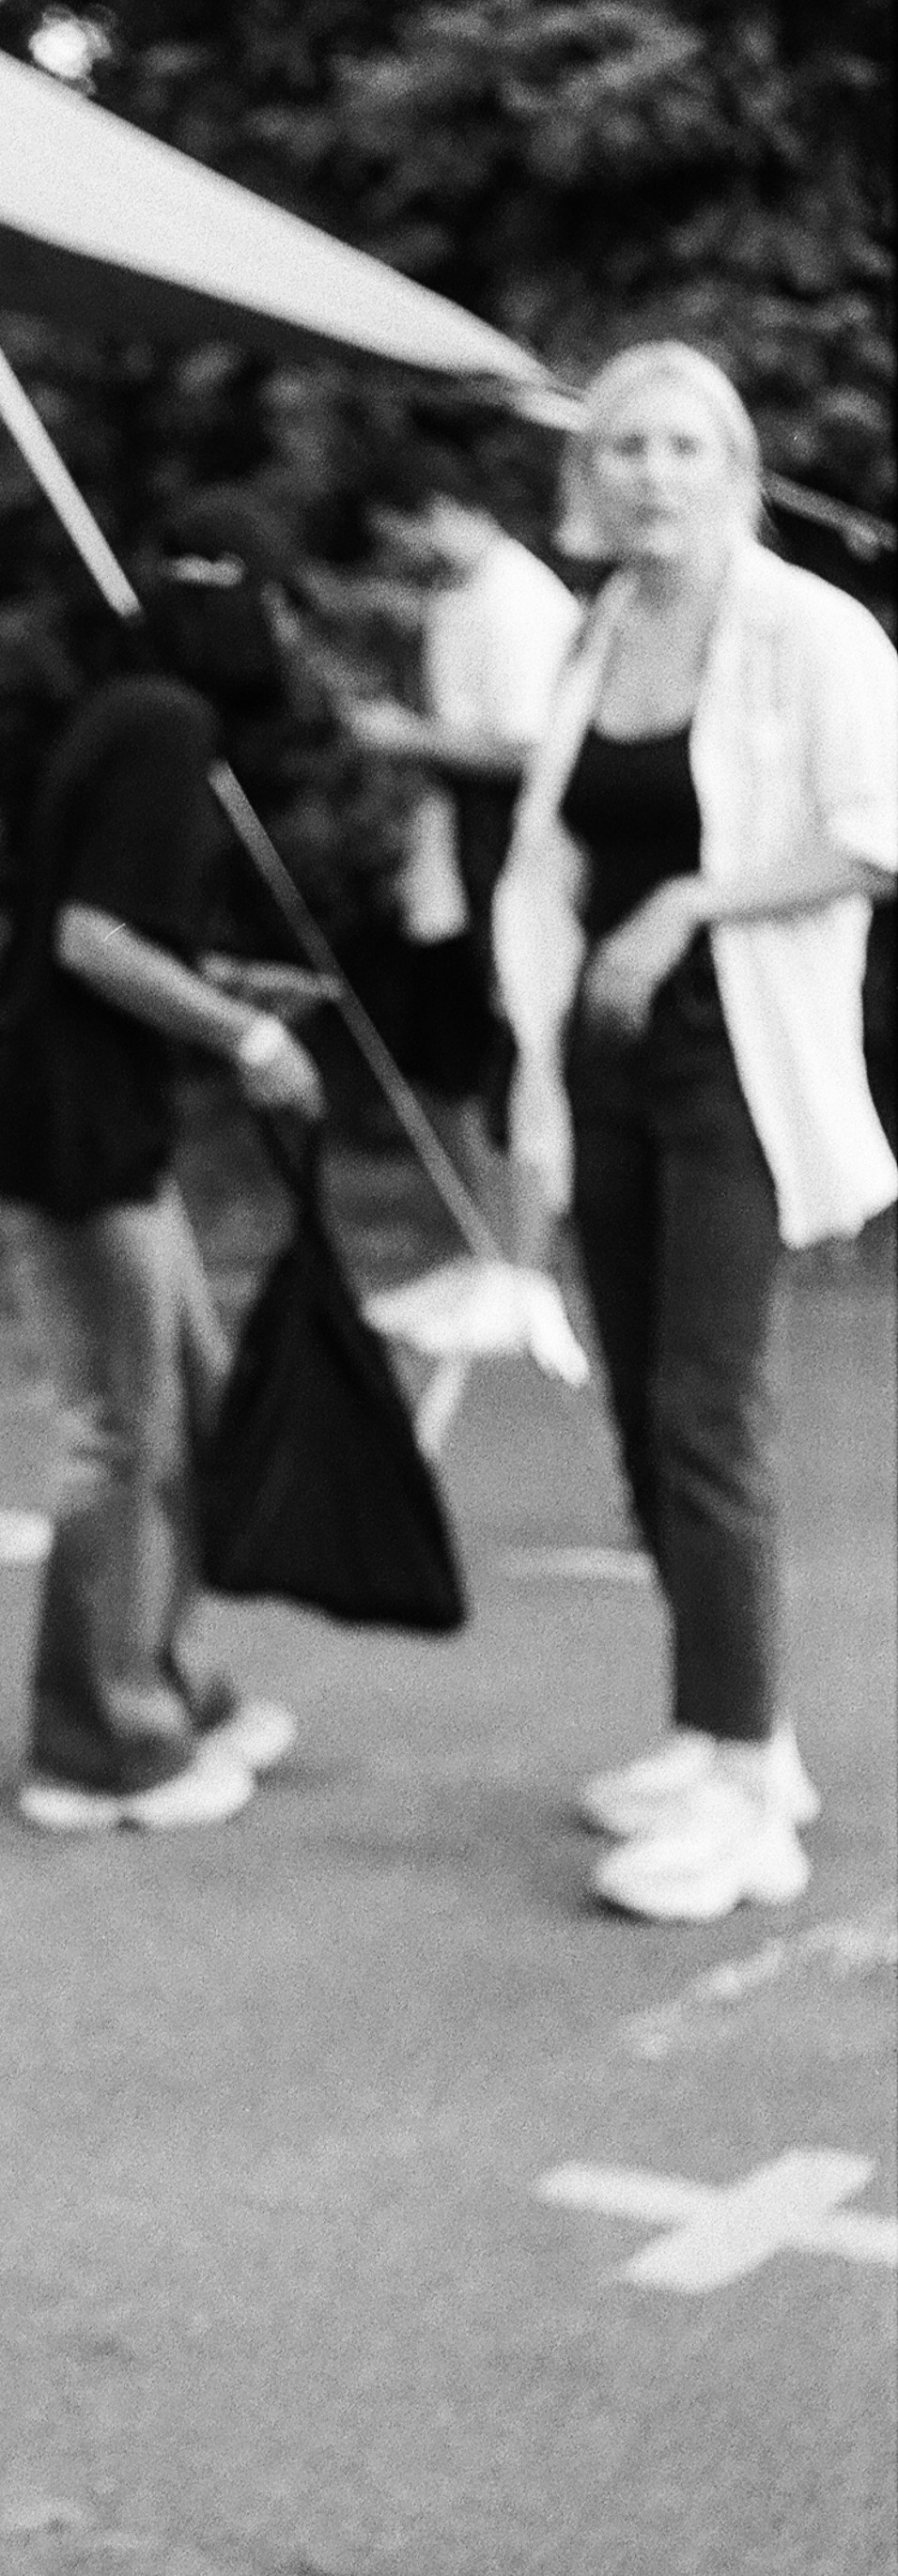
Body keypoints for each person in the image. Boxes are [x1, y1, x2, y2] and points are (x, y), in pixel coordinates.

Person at [493, 340, 898, 1923]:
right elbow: (549, 858)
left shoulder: (812, 632)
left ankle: (745, 1806)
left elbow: (875, 840)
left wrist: (685, 905)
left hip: (736, 1061)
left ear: (734, 467)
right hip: (607, 1062)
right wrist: (536, 1050)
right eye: (624, 448)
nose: (651, 474)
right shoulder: (595, 630)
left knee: (706, 1415)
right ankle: (730, 1734)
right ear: (588, 475)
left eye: (682, 446)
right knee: (638, 1416)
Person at [0, 489, 327, 1832]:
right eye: (281, 604)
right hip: (72, 1130)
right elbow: (93, 943)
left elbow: (114, 929)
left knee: (194, 1410)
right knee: (119, 1432)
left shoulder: (130, 714)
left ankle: (164, 1680)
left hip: (99, 1116)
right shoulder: (164, 725)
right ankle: (98, 1746)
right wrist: (245, 1037)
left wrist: (222, 983)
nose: (291, 633)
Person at [341, 440, 578, 1226]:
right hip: (453, 853)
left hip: (509, 850)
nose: (395, 555)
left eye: (397, 534)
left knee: (510, 1059)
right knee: (447, 1060)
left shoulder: (520, 601)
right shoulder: (455, 596)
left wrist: (404, 736)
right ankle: (486, 1246)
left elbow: (534, 751)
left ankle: (523, 1260)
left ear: (437, 513)